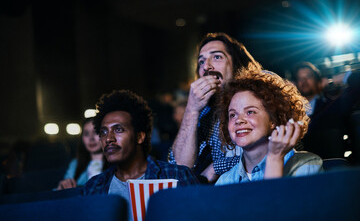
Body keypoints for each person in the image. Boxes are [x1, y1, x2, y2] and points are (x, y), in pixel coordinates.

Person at [83, 90, 199, 220]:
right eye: (103, 132)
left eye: (118, 129)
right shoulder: (94, 186)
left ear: (140, 137)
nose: (108, 138)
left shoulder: (176, 175)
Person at [168, 32, 262, 182]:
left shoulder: (261, 96)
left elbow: (266, 150)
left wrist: (215, 167)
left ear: (237, 64)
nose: (206, 66)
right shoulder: (204, 111)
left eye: (217, 57)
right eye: (201, 61)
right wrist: (191, 108)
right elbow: (179, 166)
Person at [215, 69, 323, 185]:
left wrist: (275, 158)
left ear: (273, 119)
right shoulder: (224, 182)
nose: (239, 120)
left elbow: (272, 203)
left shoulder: (307, 166)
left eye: (250, 112)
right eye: (232, 115)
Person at [293, 62, 360, 159]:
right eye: (300, 78)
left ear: (317, 79)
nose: (304, 82)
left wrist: (331, 80)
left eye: (308, 77)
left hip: (329, 163)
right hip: (300, 166)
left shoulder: (333, 104)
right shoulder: (290, 110)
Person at [57, 118, 107, 189]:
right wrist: (61, 188)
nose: (91, 138)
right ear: (82, 139)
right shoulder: (75, 164)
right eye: (86, 134)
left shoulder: (116, 163)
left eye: (96, 132)